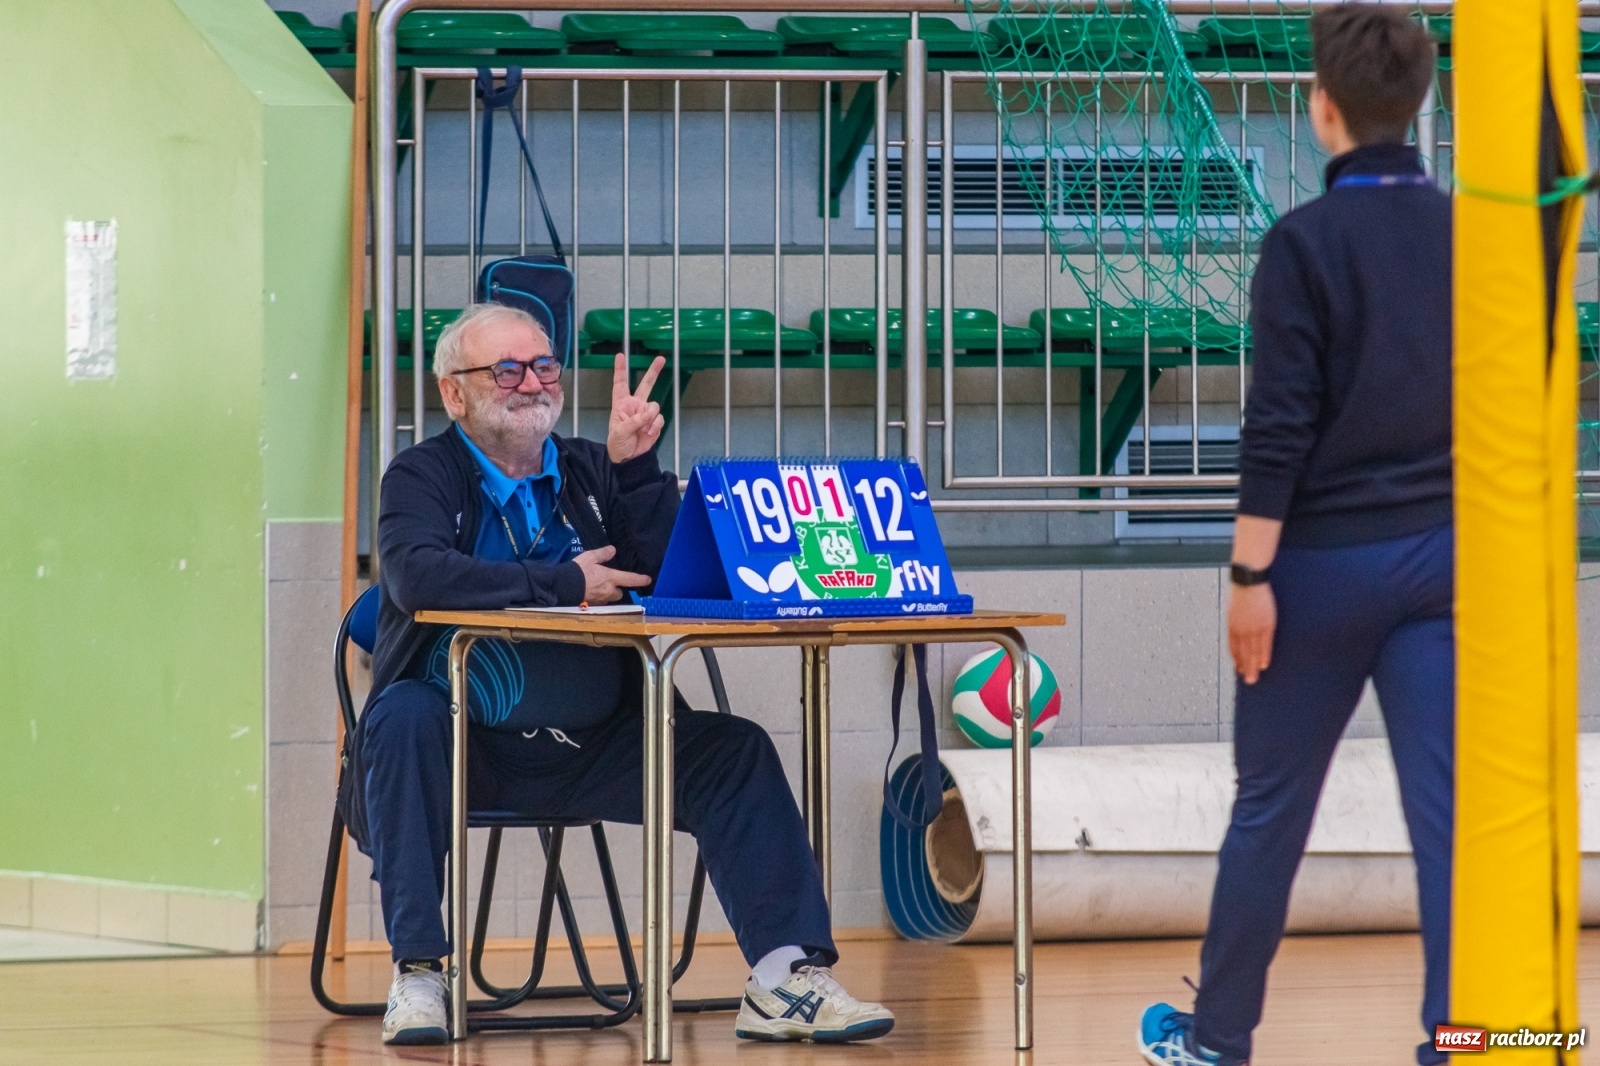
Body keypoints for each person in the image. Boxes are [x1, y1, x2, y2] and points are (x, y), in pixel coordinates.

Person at [348, 301, 894, 1046]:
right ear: (454, 393)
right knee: (402, 715)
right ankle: (418, 972)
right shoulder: (421, 474)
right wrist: (565, 583)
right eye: (506, 369)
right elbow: (417, 576)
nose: (532, 383)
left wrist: (636, 471)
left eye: (544, 366)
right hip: (463, 753)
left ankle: (783, 978)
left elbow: (678, 581)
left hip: (598, 746)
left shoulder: (592, 471)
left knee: (733, 751)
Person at [1137, 8, 1450, 1066]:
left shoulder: (1301, 244)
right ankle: (1467, 1041)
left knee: (1270, 808)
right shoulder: (1471, 237)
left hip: (1316, 569)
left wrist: (1248, 574)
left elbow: (1276, 427)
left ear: (1322, 107)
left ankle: (1218, 1040)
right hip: (1443, 559)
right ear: (1422, 96)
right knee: (1448, 820)